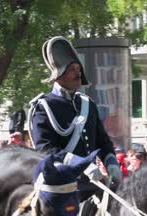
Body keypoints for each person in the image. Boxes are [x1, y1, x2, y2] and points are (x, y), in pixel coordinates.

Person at [29, 36, 122, 192]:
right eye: (72, 69)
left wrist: (111, 162)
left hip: (95, 182)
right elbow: (45, 149)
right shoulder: (44, 107)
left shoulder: (87, 104)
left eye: (78, 69)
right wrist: (81, 165)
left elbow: (103, 141)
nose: (78, 74)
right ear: (59, 73)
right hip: (64, 188)